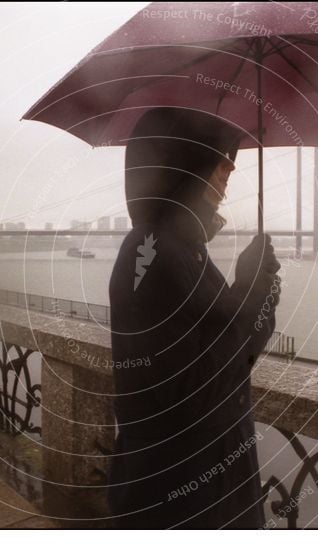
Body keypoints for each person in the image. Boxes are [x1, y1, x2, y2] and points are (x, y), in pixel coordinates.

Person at [107, 108, 281, 529]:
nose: (231, 166)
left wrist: (261, 294)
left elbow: (233, 357)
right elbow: (193, 391)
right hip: (181, 491)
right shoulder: (150, 253)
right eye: (217, 154)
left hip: (211, 478)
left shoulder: (187, 251)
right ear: (182, 162)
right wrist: (248, 291)